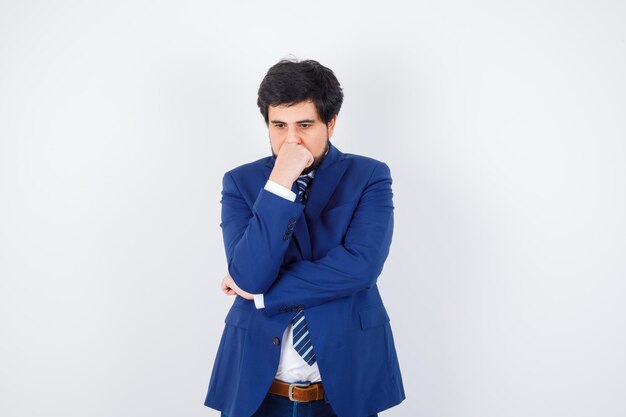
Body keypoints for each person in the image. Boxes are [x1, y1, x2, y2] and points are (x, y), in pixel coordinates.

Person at [204, 58, 405, 417]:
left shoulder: (370, 176)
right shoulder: (240, 183)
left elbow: (359, 269)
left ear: (331, 123)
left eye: (305, 125)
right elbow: (249, 275)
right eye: (278, 125)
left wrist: (263, 294)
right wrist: (279, 184)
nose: (291, 139)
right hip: (256, 390)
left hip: (344, 388)